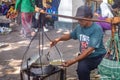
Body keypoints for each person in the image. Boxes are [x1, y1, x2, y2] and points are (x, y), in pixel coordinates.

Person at [50, 6, 106, 80]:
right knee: (81, 70)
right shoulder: (79, 27)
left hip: (98, 57)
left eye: (81, 20)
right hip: (85, 57)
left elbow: (89, 51)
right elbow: (70, 35)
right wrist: (58, 39)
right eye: (78, 19)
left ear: (89, 17)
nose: (79, 22)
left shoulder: (97, 29)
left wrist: (73, 61)